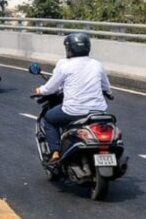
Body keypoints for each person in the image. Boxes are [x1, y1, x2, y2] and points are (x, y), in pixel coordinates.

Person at [33, 32, 113, 163]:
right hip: (98, 111)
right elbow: (106, 87)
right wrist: (109, 93)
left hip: (73, 111)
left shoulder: (65, 65)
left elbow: (50, 88)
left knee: (49, 119)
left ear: (69, 49)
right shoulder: (97, 64)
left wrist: (39, 90)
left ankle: (55, 152)